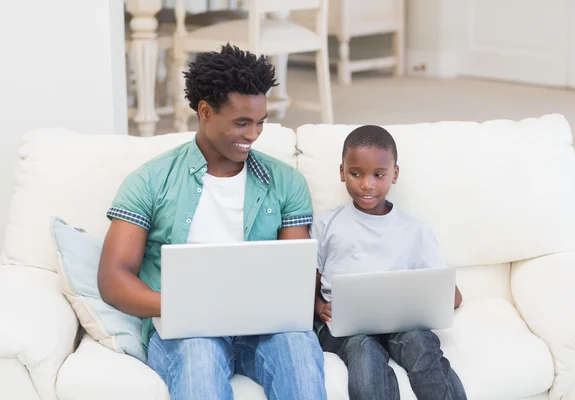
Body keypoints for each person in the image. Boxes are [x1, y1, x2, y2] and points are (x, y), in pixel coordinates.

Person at [97, 44, 326, 400]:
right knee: (198, 358)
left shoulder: (285, 182)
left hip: (264, 325)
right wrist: (183, 305)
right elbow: (113, 279)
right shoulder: (151, 180)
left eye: (260, 122)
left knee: (297, 347)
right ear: (205, 111)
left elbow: (296, 274)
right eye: (241, 122)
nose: (253, 134)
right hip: (187, 329)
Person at [310, 125, 467, 400]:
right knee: (363, 350)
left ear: (394, 175)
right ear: (341, 172)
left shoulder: (415, 229)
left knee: (421, 343)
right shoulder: (326, 224)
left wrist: (433, 301)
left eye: (378, 175)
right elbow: (307, 281)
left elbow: (451, 297)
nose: (366, 184)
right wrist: (321, 307)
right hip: (344, 328)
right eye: (355, 173)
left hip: (401, 323)